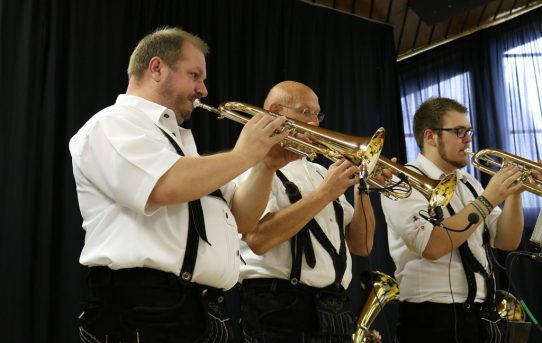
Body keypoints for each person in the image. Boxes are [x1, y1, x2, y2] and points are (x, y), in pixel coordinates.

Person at [69, 27, 297, 343]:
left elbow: (242, 219)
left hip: (204, 310)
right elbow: (165, 186)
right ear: (157, 68)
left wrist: (265, 164)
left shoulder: (180, 146)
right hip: (143, 306)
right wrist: (245, 153)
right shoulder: (110, 124)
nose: (203, 89)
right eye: (194, 75)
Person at [238, 80, 386, 343]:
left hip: (333, 307)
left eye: (318, 114)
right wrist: (325, 193)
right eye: (306, 113)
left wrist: (363, 186)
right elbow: (259, 239)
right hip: (279, 306)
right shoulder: (250, 165)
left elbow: (361, 245)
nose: (316, 123)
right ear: (275, 111)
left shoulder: (320, 172)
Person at [380, 97, 527, 343]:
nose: (468, 139)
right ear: (430, 137)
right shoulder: (401, 182)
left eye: (468, 131)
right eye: (458, 131)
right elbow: (433, 246)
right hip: (431, 315)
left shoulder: (470, 182)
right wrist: (488, 199)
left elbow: (506, 240)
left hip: (478, 312)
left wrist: (514, 195)